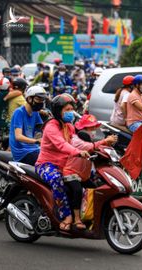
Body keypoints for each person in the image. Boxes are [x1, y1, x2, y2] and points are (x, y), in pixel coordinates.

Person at [35, 94, 90, 231]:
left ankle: (81, 215)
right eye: (67, 109)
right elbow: (61, 145)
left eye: (72, 109)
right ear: (58, 110)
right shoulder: (51, 126)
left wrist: (99, 146)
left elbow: (77, 143)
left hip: (65, 165)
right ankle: (66, 216)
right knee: (57, 180)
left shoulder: (69, 126)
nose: (70, 112)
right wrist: (77, 152)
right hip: (46, 165)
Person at [62, 114, 118, 230]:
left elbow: (97, 148)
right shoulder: (76, 140)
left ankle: (91, 216)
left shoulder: (89, 140)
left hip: (84, 176)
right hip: (71, 173)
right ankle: (77, 219)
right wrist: (105, 140)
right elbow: (89, 146)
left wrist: (108, 143)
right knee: (77, 191)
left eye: (94, 128)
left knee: (96, 190)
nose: (93, 131)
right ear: (83, 129)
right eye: (90, 128)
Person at [9, 86, 47, 165]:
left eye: (42, 100)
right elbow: (18, 136)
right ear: (29, 99)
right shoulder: (19, 112)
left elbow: (40, 129)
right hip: (22, 152)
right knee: (46, 162)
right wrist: (36, 141)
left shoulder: (35, 112)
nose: (40, 102)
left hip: (32, 148)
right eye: (38, 99)